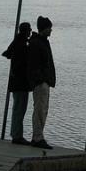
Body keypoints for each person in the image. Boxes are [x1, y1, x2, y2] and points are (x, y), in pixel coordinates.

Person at [28, 16, 56, 150]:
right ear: (44, 29)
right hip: (40, 82)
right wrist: (41, 79)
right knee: (39, 109)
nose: (51, 30)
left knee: (43, 109)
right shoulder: (36, 43)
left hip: (45, 81)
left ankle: (37, 136)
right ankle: (37, 137)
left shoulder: (43, 41)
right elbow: (34, 64)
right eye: (49, 28)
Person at [2, 22, 32, 145]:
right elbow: (22, 63)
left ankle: (16, 134)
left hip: (15, 82)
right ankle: (17, 135)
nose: (30, 32)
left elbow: (7, 53)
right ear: (26, 31)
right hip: (21, 83)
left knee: (17, 109)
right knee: (20, 109)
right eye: (29, 30)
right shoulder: (22, 45)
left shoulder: (16, 42)